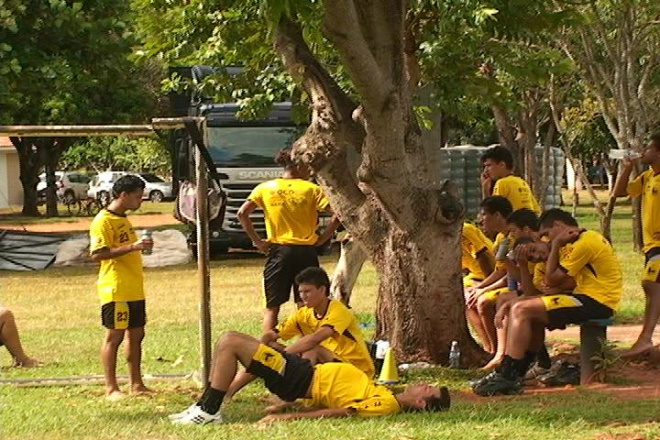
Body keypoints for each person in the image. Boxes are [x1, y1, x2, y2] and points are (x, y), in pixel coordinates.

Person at [472, 209, 622, 396]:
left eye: (546, 234)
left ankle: (508, 374)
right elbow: (544, 287)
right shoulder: (574, 243)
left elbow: (552, 281)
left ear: (559, 226)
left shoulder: (585, 242)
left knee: (522, 309)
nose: (546, 240)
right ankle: (514, 372)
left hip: (597, 302)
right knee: (526, 311)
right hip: (585, 297)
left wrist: (557, 243)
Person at [169, 331, 450, 425]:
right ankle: (206, 404)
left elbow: (342, 411)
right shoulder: (386, 393)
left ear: (423, 403)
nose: (423, 384)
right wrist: (290, 406)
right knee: (228, 341)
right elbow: (342, 395)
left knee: (231, 342)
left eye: (428, 388)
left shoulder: (386, 405)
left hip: (298, 378)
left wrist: (288, 418)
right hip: (302, 372)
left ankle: (209, 410)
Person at [225, 267, 375, 399]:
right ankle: (228, 393)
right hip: (326, 365)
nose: (303, 296)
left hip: (355, 370)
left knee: (310, 349)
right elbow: (271, 335)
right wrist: (260, 349)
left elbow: (315, 339)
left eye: (307, 291)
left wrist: (282, 356)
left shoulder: (339, 311)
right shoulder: (302, 314)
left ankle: (296, 395)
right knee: (266, 352)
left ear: (322, 290)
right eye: (300, 292)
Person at [237, 149, 341, 333]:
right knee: (306, 304)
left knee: (272, 306)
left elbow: (242, 213)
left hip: (279, 252)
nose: (310, 171)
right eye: (308, 167)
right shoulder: (312, 189)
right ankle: (306, 350)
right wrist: (324, 238)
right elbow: (337, 215)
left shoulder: (265, 188)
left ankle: (267, 350)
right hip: (306, 252)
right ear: (299, 166)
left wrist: (258, 241)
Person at [89, 175, 154, 400]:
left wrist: (138, 248)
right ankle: (111, 387)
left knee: (137, 335)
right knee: (114, 337)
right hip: (115, 288)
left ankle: (137, 383)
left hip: (134, 287)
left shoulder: (123, 218)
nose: (141, 200)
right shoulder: (103, 220)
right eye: (137, 196)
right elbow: (97, 254)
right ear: (123, 195)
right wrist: (132, 247)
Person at [613, 133, 660, 357]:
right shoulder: (647, 176)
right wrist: (627, 167)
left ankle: (645, 338)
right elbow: (619, 192)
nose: (645, 151)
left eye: (649, 148)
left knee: (651, 283)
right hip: (650, 246)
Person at [465, 196, 512, 354]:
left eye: (484, 214)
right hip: (501, 281)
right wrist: (479, 287)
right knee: (469, 297)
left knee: (483, 302)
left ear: (497, 215)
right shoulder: (500, 237)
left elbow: (506, 273)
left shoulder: (513, 237)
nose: (480, 219)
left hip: (517, 285)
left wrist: (484, 289)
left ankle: (498, 352)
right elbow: (500, 271)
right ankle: (490, 348)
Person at [480, 145, 541, 215]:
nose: (485, 171)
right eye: (484, 167)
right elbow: (536, 211)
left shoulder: (502, 183)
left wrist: (485, 190)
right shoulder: (522, 182)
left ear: (502, 165)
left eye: (488, 166)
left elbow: (491, 215)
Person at [461, 222, 495, 290]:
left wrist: (487, 286)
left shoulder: (464, 230)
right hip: (474, 276)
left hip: (490, 275)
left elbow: (483, 256)